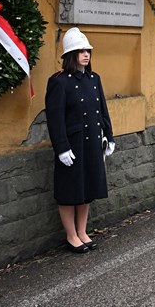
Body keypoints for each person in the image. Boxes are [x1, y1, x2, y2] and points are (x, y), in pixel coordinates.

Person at [46, 28, 115, 254]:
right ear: (70, 55)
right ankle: (71, 235)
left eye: (88, 51)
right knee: (69, 191)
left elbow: (102, 110)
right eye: (81, 51)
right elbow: (55, 119)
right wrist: (62, 148)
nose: (86, 55)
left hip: (92, 143)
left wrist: (109, 136)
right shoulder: (59, 82)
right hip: (72, 145)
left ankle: (82, 231)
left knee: (86, 189)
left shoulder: (94, 79)